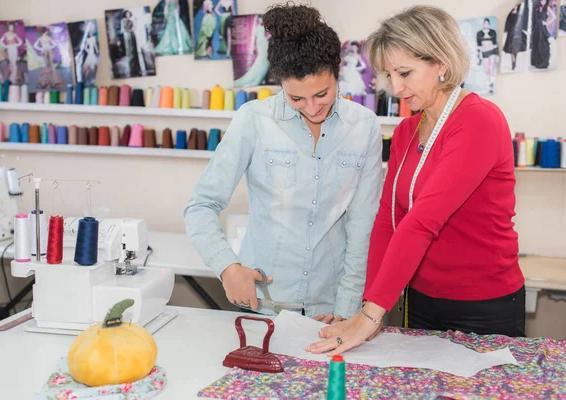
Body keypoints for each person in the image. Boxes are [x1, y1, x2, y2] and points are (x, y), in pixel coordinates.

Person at [307, 5, 526, 357]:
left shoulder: (478, 121)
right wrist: (367, 304)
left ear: (440, 62)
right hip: (421, 299)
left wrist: (368, 316)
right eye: (389, 75)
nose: (395, 88)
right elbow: (387, 222)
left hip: (483, 305)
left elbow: (423, 221)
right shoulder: (407, 131)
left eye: (405, 73)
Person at [184, 3, 383, 321]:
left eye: (322, 93)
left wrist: (346, 309)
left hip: (332, 307)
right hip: (264, 304)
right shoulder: (254, 120)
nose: (311, 107)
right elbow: (200, 206)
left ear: (337, 69)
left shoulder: (364, 126)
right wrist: (227, 266)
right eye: (296, 98)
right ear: (279, 84)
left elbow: (362, 225)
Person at [233, 16, 269, 87]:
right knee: (260, 61)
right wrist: (254, 49)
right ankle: (255, 79)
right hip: (261, 44)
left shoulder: (265, 28)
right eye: (260, 19)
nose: (261, 20)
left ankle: (258, 78)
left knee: (263, 61)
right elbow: (254, 39)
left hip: (264, 44)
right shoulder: (257, 28)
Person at [503, 3, 529, 71]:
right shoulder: (509, 12)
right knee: (512, 49)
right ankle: (513, 63)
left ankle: (515, 62)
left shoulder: (520, 11)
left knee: (516, 49)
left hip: (518, 32)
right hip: (511, 32)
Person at [531, 0, 556, 69]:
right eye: (542, 0)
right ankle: (536, 61)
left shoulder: (547, 8)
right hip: (536, 28)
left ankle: (543, 62)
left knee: (543, 44)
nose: (543, 1)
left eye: (544, 0)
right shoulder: (537, 7)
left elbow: (554, 17)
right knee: (536, 43)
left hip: (542, 29)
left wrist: (547, 23)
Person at [476, 18, 498, 93]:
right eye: (485, 23)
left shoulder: (493, 32)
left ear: (489, 24)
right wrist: (478, 56)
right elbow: (478, 45)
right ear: (483, 24)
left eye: (487, 23)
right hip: (484, 52)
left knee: (491, 67)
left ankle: (490, 84)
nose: (486, 25)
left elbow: (495, 44)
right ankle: (489, 81)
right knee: (486, 69)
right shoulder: (479, 33)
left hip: (492, 51)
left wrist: (497, 54)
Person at [121, 10, 141, 77]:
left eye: (129, 14)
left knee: (134, 52)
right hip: (127, 36)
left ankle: (136, 69)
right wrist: (129, 30)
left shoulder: (131, 20)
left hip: (132, 35)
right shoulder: (123, 20)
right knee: (129, 52)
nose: (128, 15)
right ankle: (131, 69)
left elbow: (134, 28)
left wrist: (135, 21)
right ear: (125, 14)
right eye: (127, 14)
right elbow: (123, 30)